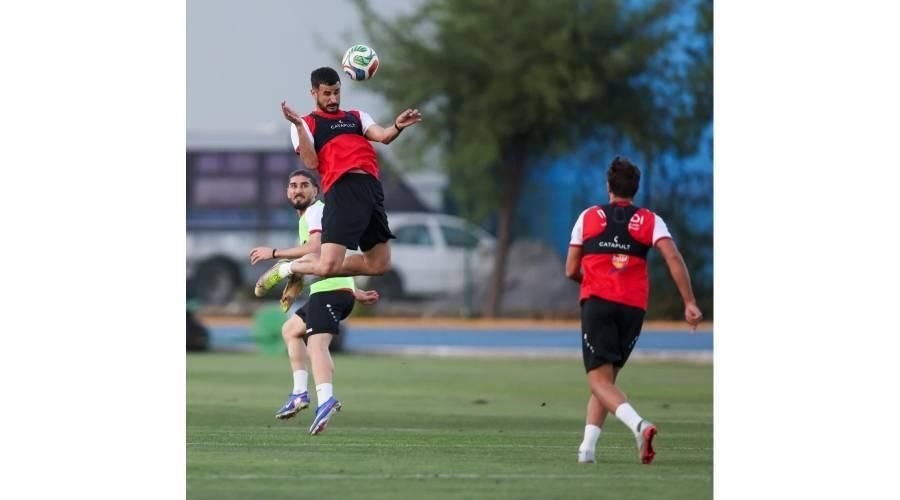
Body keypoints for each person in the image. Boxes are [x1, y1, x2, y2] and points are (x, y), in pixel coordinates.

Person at [565, 157, 703, 465]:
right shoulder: (650, 220)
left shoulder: (589, 217)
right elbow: (673, 257)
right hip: (633, 309)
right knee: (606, 380)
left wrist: (594, 279)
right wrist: (689, 301)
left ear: (608, 186)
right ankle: (587, 450)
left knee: (598, 382)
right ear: (636, 189)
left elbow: (571, 269)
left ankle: (640, 426)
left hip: (599, 304)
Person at [255, 66, 422, 296]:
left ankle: (303, 268)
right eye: (327, 93)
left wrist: (397, 126)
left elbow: (383, 136)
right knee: (328, 267)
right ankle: (287, 268)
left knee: (379, 265)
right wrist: (298, 126)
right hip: (343, 190)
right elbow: (311, 162)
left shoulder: (356, 117)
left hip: (371, 190)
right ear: (314, 92)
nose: (333, 99)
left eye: (336, 92)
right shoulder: (305, 124)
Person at [251, 168, 379, 435]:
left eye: (304, 185)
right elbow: (329, 258)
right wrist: (353, 290)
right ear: (287, 192)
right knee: (291, 330)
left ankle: (326, 399)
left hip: (329, 291)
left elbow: (317, 248)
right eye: (293, 186)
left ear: (315, 191)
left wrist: (275, 253)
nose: (297, 190)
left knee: (317, 344)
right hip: (333, 288)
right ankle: (300, 394)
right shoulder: (311, 215)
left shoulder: (315, 211)